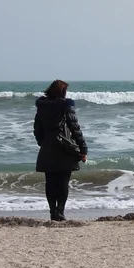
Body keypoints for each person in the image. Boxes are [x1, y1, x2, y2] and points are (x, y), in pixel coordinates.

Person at [34, 80, 88, 221]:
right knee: (63, 182)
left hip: (47, 149)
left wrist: (44, 143)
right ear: (62, 92)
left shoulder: (41, 107)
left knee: (50, 182)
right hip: (65, 149)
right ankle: (60, 212)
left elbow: (37, 130)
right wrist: (83, 148)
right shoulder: (66, 106)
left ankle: (52, 212)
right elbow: (75, 128)